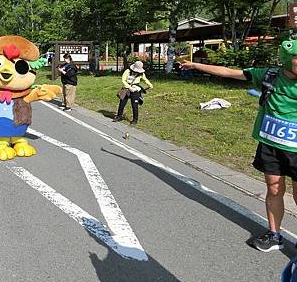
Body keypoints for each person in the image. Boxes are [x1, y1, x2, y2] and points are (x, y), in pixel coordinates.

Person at [181, 38, 297, 252]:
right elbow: (228, 72)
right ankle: (274, 235)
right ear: (288, 60)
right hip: (271, 143)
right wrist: (196, 65)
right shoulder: (269, 75)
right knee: (274, 189)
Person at [113, 60, 153, 125]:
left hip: (136, 90)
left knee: (135, 105)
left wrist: (150, 84)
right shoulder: (127, 71)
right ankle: (119, 116)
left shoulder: (141, 73)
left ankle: (135, 120)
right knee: (122, 103)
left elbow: (145, 79)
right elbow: (123, 80)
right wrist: (129, 87)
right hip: (126, 89)